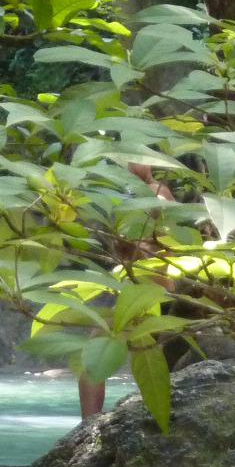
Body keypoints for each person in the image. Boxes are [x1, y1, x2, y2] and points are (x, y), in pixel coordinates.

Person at [79, 162, 175, 418]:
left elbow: (159, 244)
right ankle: (87, 426)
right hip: (133, 291)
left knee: (104, 360)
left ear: (149, 162)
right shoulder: (129, 194)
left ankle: (90, 425)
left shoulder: (157, 192)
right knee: (94, 361)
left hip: (153, 292)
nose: (128, 165)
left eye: (133, 159)